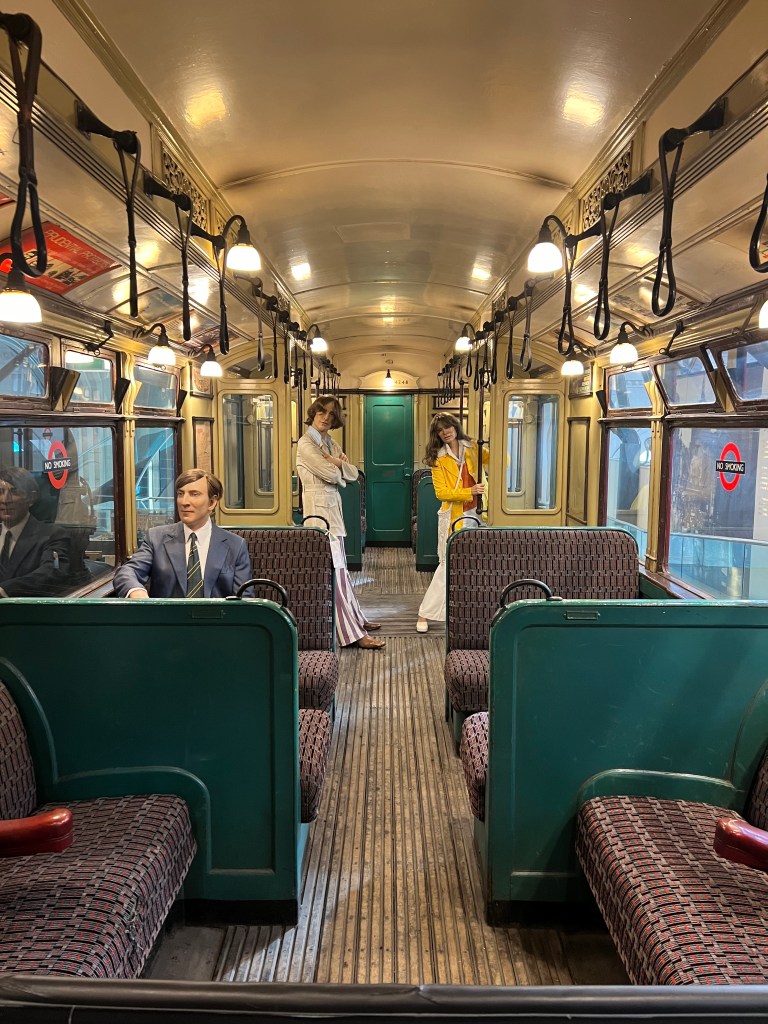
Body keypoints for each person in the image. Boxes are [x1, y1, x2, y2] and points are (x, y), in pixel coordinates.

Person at [296, 396, 385, 650]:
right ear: (313, 413)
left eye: (331, 415)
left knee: (342, 571)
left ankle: (357, 619)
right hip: (319, 516)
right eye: (322, 412)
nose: (325, 418)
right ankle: (351, 634)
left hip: (334, 514)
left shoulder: (328, 443)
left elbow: (354, 473)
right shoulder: (306, 444)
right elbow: (333, 474)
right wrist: (338, 467)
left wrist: (337, 464)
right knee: (334, 573)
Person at [113, 468, 251, 598]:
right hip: (168, 621)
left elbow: (245, 601)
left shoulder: (235, 545)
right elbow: (126, 573)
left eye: (194, 494)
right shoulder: (156, 538)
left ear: (212, 502)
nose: (184, 502)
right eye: (180, 494)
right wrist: (136, 591)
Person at [416, 414, 488, 632]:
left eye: (448, 427)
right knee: (447, 565)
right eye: (440, 430)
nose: (446, 432)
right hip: (455, 516)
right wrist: (470, 491)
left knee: (473, 565)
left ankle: (468, 612)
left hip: (478, 513)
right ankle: (424, 613)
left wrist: (488, 441)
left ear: (456, 427)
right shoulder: (439, 459)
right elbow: (441, 492)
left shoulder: (473, 448)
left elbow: (502, 462)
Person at [0, 467, 73, 597]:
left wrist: (4, 590)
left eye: (14, 492)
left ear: (31, 498)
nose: (5, 500)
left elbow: (52, 572)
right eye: (0, 492)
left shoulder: (53, 535)